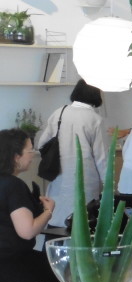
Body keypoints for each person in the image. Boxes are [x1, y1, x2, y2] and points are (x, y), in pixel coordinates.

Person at [0, 129, 74, 282]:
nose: (33, 156)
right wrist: (49, 211)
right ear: (16, 157)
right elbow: (27, 231)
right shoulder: (13, 186)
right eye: (30, 151)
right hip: (11, 264)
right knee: (70, 276)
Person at [35, 79, 107, 227]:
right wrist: (109, 185)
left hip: (58, 177)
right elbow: (102, 158)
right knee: (81, 223)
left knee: (56, 219)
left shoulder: (59, 112)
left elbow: (42, 144)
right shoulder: (95, 119)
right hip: (86, 180)